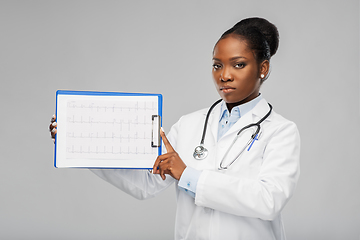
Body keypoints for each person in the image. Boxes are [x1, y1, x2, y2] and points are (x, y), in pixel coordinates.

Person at [50, 17, 300, 240]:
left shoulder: (280, 131)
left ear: (263, 68)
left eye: (238, 65)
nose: (224, 75)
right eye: (217, 65)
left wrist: (188, 175)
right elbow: (147, 184)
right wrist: (79, 144)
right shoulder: (190, 124)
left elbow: (269, 200)